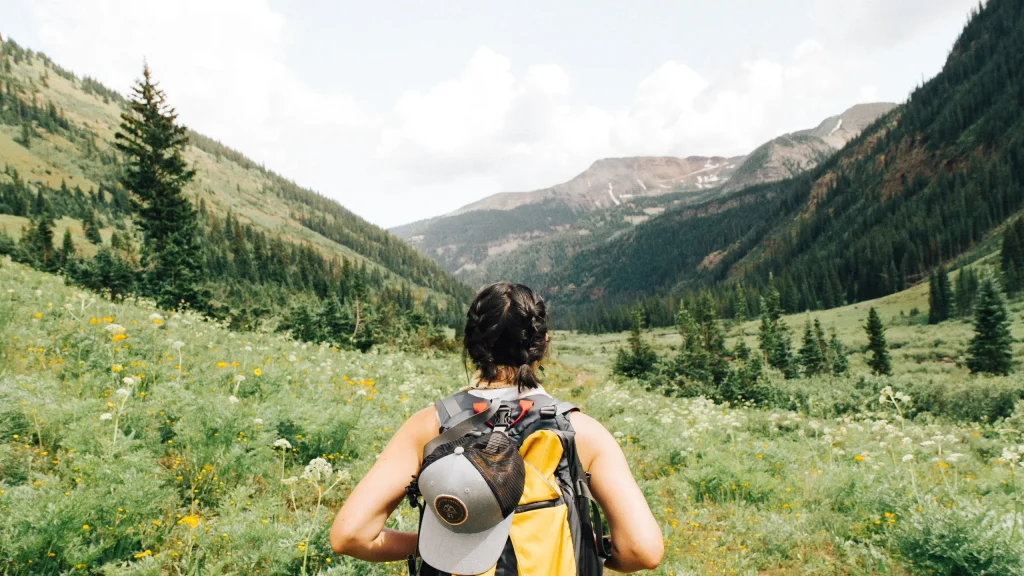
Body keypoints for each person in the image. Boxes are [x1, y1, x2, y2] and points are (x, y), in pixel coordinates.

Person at [331, 282, 663, 574]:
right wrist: (587, 549)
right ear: (543, 344)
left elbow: (351, 535)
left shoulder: (430, 425)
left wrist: (436, 547)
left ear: (470, 345)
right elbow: (642, 551)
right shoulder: (581, 431)